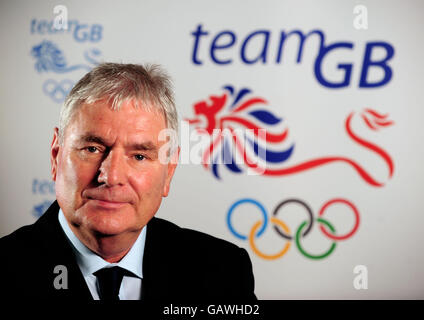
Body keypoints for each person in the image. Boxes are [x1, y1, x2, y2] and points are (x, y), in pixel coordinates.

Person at [0, 63, 256, 300]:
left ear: (169, 171)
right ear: (56, 156)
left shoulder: (224, 270)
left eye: (139, 156)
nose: (111, 177)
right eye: (92, 149)